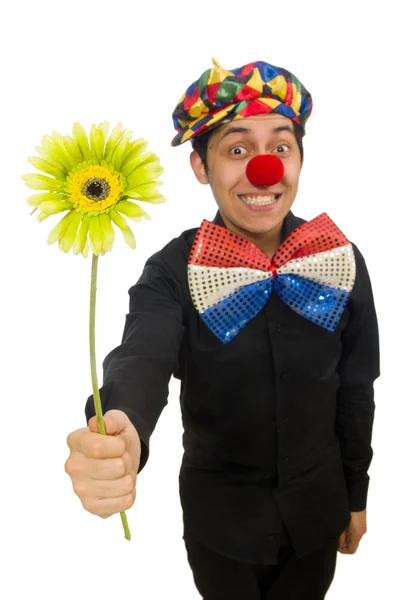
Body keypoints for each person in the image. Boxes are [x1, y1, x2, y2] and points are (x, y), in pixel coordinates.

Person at [64, 58, 380, 599]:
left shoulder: (339, 257)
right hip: (221, 528)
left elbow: (355, 389)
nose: (264, 170)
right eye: (237, 150)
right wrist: (119, 423)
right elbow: (143, 354)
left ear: (300, 158)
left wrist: (356, 496)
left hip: (318, 514)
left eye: (280, 147)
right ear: (200, 167)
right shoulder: (170, 272)